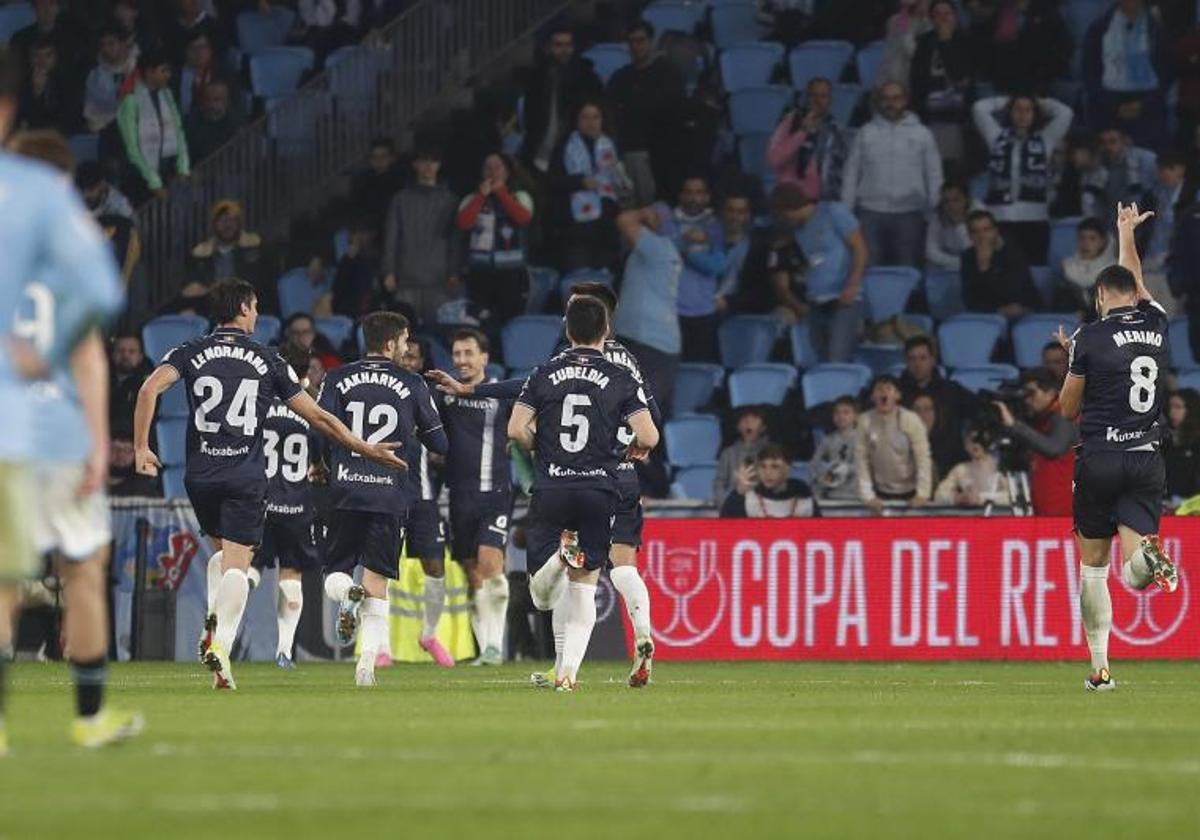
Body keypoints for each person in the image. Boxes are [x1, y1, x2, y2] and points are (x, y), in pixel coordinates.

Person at [132, 280, 408, 690]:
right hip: (244, 476)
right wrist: (365, 449)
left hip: (199, 474)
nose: (258, 313)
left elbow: (149, 387)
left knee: (221, 558)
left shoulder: (190, 350)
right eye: (256, 305)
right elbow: (320, 419)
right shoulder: (267, 360)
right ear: (244, 308)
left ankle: (212, 620)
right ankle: (221, 647)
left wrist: (141, 447)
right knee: (238, 567)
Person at [429, 282, 663, 688]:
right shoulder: (625, 367)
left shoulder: (555, 366)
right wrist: (633, 445)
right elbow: (651, 419)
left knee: (556, 589)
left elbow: (522, 400)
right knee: (617, 568)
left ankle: (562, 668)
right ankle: (640, 634)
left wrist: (475, 391)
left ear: (581, 322)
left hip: (559, 477)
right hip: (612, 477)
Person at [0, 114, 140, 752]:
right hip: (57, 430)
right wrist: (93, 439)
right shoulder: (74, 243)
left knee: (3, 580)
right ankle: (89, 719)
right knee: (84, 570)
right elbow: (88, 354)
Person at [508, 295, 659, 691]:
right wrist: (635, 447)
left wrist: (539, 445)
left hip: (553, 484)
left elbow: (514, 429)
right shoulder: (622, 374)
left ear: (568, 330)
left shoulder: (543, 372)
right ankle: (567, 675)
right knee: (586, 585)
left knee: (542, 598)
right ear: (606, 329)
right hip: (599, 487)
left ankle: (558, 561)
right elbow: (649, 434)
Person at [1058, 202, 1178, 692]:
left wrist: (1072, 359)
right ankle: (1148, 559)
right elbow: (1137, 279)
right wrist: (1126, 234)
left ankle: (1100, 669)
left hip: (1101, 457)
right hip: (1146, 457)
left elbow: (1067, 409)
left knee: (1093, 570)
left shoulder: (1089, 336)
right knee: (1133, 573)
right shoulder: (1157, 322)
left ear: (1102, 294)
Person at [317, 311, 447, 686]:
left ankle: (347, 592)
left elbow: (320, 431)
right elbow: (440, 443)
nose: (407, 349)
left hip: (344, 489)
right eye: (405, 341)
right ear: (391, 344)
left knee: (335, 573)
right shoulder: (412, 383)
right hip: (390, 495)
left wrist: (328, 464)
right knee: (379, 585)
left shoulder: (337, 378)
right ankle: (366, 670)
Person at [430, 329, 515, 665]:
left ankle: (496, 646)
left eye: (468, 353)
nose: (462, 360)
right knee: (472, 572)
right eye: (457, 354)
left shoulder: (501, 394)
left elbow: (524, 426)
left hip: (495, 493)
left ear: (485, 358)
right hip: (458, 495)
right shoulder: (444, 396)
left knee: (491, 564)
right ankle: (485, 649)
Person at [243, 342, 318, 670]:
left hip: (261, 499)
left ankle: (234, 596)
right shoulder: (311, 407)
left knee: (251, 566)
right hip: (297, 502)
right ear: (306, 371)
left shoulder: (259, 404)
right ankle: (284, 651)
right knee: (292, 574)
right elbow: (321, 456)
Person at [393, 334, 455, 669]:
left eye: (414, 357)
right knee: (380, 570)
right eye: (405, 354)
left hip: (424, 497)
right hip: (386, 493)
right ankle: (381, 645)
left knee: (435, 567)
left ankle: (429, 634)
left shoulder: (426, 395)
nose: (409, 361)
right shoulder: (383, 392)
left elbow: (444, 445)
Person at [841, 81, 942, 267]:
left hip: (910, 214)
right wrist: (846, 213)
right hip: (870, 213)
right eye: (885, 98)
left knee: (907, 271)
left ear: (905, 100)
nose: (891, 103)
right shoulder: (865, 133)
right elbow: (851, 174)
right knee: (870, 270)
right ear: (879, 102)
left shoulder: (922, 134)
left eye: (896, 98)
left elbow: (934, 175)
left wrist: (934, 211)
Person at [972, 93, 1074, 265]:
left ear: (1035, 114)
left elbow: (1066, 113)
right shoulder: (996, 137)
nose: (1022, 114)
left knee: (1035, 269)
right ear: (1010, 112)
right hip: (1001, 218)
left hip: (1035, 219)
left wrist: (1040, 101)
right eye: (1017, 109)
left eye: (1028, 110)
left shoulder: (1045, 139)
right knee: (1004, 269)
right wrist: (1008, 99)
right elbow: (978, 108)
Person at [612, 206, 683, 419]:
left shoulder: (658, 245)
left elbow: (624, 219)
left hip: (651, 343)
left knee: (640, 416)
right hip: (647, 341)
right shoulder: (651, 252)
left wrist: (645, 212)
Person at [606, 19, 685, 206]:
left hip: (658, 154)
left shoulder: (668, 74)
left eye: (641, 40)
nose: (636, 46)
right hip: (625, 152)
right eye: (632, 41)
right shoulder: (620, 77)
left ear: (651, 42)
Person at [381, 144, 461, 323]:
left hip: (439, 281)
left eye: (433, 161)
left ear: (439, 165)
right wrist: (389, 271)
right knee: (402, 334)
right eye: (424, 161)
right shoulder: (400, 200)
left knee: (438, 332)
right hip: (406, 279)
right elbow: (391, 237)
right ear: (415, 164)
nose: (428, 166)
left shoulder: (451, 201)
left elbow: (455, 241)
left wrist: (454, 271)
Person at [456, 152, 535, 331]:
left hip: (512, 273)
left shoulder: (520, 196)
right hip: (480, 274)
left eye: (497, 167)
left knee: (511, 323)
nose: (492, 171)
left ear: (507, 171)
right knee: (480, 324)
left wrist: (501, 192)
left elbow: (523, 218)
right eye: (487, 167)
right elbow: (464, 223)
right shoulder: (471, 198)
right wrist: (481, 196)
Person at [518, 23, 603, 175]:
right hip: (540, 153)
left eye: (568, 45)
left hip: (575, 152)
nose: (564, 50)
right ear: (548, 47)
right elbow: (530, 118)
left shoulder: (586, 78)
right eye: (558, 45)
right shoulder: (536, 78)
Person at [1082, 0, 1169, 149]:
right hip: (1108, 106)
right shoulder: (1099, 28)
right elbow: (1090, 71)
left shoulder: (1157, 29)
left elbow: (1167, 71)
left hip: (1148, 105)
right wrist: (1114, 105)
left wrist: (1143, 104)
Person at [993, 367, 1077, 516]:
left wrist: (1015, 425)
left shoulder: (1065, 415)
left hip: (1065, 515)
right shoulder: (1039, 420)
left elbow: (1054, 449)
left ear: (1051, 393)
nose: (1027, 400)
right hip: (1045, 512)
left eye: (1031, 393)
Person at [660, 175, 725, 362]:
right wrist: (685, 242)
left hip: (704, 310)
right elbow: (664, 256)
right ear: (680, 196)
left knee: (700, 369)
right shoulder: (667, 224)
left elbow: (717, 266)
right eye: (688, 192)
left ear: (707, 197)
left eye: (699, 193)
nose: (693, 198)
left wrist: (686, 253)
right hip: (672, 312)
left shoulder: (714, 226)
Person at [553, 100, 622, 272]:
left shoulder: (610, 145)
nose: (591, 123)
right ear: (576, 121)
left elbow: (617, 180)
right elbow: (553, 181)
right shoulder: (564, 146)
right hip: (576, 225)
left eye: (596, 117)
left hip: (606, 222)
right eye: (585, 118)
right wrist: (579, 182)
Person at [117, 49, 190, 204]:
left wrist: (183, 166)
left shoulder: (167, 94)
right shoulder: (130, 101)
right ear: (149, 72)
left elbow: (178, 131)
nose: (168, 75)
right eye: (163, 70)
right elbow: (132, 147)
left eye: (168, 70)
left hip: (166, 170)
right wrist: (153, 182)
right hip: (138, 176)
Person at [898, 335, 976, 474]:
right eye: (912, 359)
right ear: (906, 362)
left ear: (933, 360)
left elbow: (978, 410)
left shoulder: (952, 390)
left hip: (949, 466)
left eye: (923, 358)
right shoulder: (897, 393)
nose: (917, 364)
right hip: (905, 467)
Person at [909, 0, 974, 165]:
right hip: (928, 111)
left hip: (957, 112)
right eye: (938, 14)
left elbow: (959, 75)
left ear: (956, 16)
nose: (943, 18)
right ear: (931, 19)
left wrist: (945, 43)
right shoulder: (924, 42)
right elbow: (916, 79)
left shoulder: (967, 40)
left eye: (947, 14)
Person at [855, 375, 932, 511]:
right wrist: (868, 496)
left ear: (897, 395)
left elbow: (923, 458)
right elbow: (861, 459)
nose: (884, 393)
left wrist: (922, 493)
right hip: (879, 494)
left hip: (910, 492)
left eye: (889, 389)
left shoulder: (911, 419)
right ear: (872, 396)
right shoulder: (864, 420)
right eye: (879, 389)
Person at [766, 77, 849, 199]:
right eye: (813, 95)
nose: (817, 101)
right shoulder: (790, 121)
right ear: (806, 98)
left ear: (830, 100)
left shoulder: (835, 129)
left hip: (819, 200)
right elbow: (773, 159)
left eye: (823, 96)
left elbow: (840, 170)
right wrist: (801, 132)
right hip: (789, 197)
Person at [183, 199, 270, 314]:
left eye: (232, 220)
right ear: (214, 224)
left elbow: (263, 284)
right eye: (222, 220)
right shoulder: (200, 255)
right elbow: (191, 289)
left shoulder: (256, 248)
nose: (228, 225)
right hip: (210, 310)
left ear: (239, 223)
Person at [1137, 152, 1188, 317]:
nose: (1164, 174)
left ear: (1181, 170)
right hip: (1148, 265)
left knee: (1169, 320)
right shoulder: (1152, 196)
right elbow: (1143, 231)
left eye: (1170, 169)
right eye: (1161, 169)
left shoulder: (1193, 199)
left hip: (1173, 270)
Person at [961, 209, 1039, 319]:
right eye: (975, 232)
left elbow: (1015, 293)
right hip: (987, 315)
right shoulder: (967, 257)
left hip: (1022, 312)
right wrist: (984, 267)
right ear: (969, 235)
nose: (981, 236)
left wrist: (986, 270)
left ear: (995, 231)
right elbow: (969, 300)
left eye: (986, 230)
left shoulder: (1012, 252)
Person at [720, 444, 817, 518]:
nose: (767, 472)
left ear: (788, 469)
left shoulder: (804, 497)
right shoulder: (749, 498)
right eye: (763, 466)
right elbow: (726, 528)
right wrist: (739, 493)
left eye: (774, 466)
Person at [933, 430, 1011, 507]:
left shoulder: (1000, 467)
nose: (975, 444)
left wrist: (981, 499)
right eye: (971, 440)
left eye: (979, 440)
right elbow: (939, 495)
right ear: (965, 446)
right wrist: (958, 498)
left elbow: (1013, 497)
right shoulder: (960, 470)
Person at [83, 25, 137, 133]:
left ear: (123, 44)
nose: (106, 49)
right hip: (103, 127)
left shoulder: (139, 67)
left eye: (111, 44)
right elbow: (107, 106)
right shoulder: (95, 75)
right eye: (103, 45)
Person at [713, 407, 772, 504]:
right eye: (744, 420)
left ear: (763, 427)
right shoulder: (728, 453)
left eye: (754, 420)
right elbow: (719, 484)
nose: (749, 423)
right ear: (738, 426)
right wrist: (727, 505)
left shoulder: (771, 453)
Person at [1060, 217, 1115, 313]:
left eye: (1092, 239)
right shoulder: (1066, 267)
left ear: (1102, 242)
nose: (1085, 243)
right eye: (1082, 238)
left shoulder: (1114, 269)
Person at [349, 137, 404, 232]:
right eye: (374, 157)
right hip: (367, 227)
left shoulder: (400, 180)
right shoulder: (363, 180)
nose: (379, 160)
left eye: (383, 156)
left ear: (392, 158)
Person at [809, 396, 859, 501]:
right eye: (837, 413)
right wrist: (823, 472)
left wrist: (846, 468)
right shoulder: (827, 440)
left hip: (855, 495)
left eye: (846, 412)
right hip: (832, 495)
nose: (841, 416)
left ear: (856, 416)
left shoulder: (862, 440)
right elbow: (814, 464)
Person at [183, 80, 243, 163]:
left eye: (217, 100)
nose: (211, 105)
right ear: (201, 101)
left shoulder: (237, 125)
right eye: (207, 99)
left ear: (227, 102)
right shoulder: (189, 123)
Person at [714, 190, 754, 315]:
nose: (735, 217)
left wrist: (728, 302)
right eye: (730, 210)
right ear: (722, 213)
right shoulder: (707, 243)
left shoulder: (754, 250)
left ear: (748, 215)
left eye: (741, 212)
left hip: (735, 309)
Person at [924, 180, 977, 271]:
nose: (951, 205)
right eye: (946, 201)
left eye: (956, 200)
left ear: (967, 199)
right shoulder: (937, 216)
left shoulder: (978, 213)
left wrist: (959, 225)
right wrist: (957, 263)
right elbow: (930, 251)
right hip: (948, 264)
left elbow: (974, 252)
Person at [108, 332, 151, 435]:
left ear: (140, 356)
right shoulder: (102, 382)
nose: (125, 356)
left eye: (131, 352)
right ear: (113, 355)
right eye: (120, 351)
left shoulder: (150, 384)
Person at [1163, 390, 1200, 503]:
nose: (1172, 412)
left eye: (1178, 407)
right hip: (1167, 500)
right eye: (1171, 407)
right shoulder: (1166, 437)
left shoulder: (1197, 441)